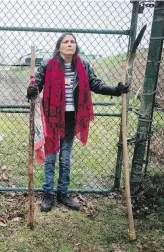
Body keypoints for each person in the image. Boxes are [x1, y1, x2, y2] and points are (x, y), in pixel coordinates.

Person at [26, 33, 130, 212]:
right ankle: (48, 193)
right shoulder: (47, 65)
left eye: (72, 42)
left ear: (76, 46)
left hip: (71, 119)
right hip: (51, 118)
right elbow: (37, 85)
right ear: (59, 46)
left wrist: (116, 89)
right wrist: (31, 90)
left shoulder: (83, 65)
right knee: (51, 158)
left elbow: (95, 84)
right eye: (65, 42)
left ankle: (63, 193)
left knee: (65, 159)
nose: (69, 44)